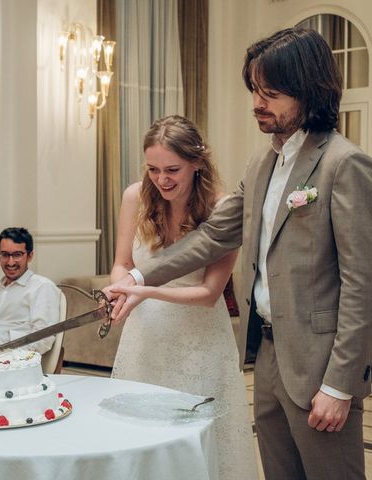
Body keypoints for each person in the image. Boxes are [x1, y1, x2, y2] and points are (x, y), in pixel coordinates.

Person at [106, 28, 372, 480]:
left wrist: (339, 385)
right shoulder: (262, 163)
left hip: (317, 366)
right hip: (266, 356)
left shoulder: (343, 164)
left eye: (270, 92)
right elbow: (211, 238)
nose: (257, 103)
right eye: (254, 91)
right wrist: (134, 278)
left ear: (308, 90)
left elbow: (361, 285)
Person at [109, 115, 257, 480]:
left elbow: (209, 293)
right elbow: (122, 263)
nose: (162, 180)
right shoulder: (134, 197)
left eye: (173, 169)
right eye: (153, 169)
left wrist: (142, 290)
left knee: (197, 441)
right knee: (139, 436)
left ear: (197, 163)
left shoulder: (222, 209)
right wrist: (118, 289)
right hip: (144, 340)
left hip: (201, 341)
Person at [0, 227, 61, 354]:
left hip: (11, 361)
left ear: (30, 256)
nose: (10, 262)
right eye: (5, 255)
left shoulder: (42, 287)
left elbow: (43, 338)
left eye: (17, 255)